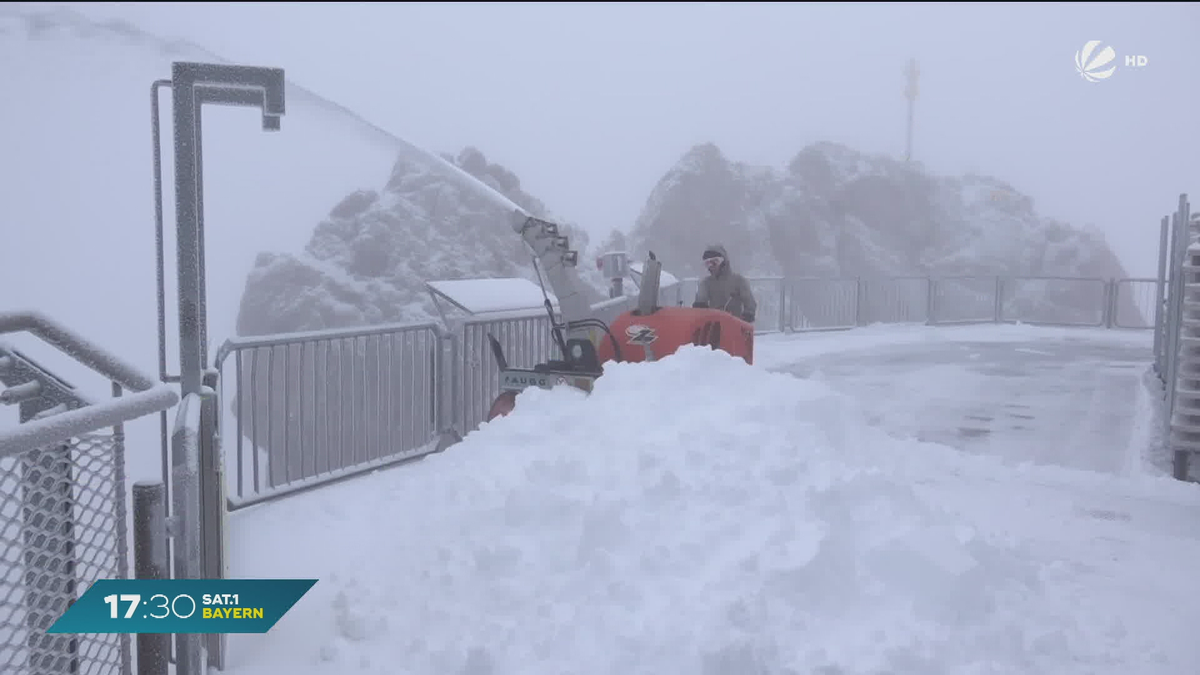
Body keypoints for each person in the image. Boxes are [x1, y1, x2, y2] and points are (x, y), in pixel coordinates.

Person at [692, 244, 757, 323]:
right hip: (712, 327)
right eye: (708, 263)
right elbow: (701, 299)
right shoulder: (706, 283)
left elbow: (749, 302)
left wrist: (748, 315)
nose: (711, 266)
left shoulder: (738, 281)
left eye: (715, 262)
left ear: (724, 261)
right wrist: (700, 306)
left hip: (734, 325)